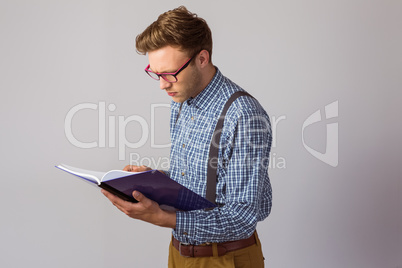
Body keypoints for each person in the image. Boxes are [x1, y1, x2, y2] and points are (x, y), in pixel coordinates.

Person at [101, 6, 272, 267]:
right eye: (155, 73)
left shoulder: (244, 115)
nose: (162, 84)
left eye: (169, 73)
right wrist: (153, 182)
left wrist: (162, 217)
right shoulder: (181, 99)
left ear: (202, 59)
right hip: (179, 252)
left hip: (223, 258)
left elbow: (242, 217)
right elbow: (200, 181)